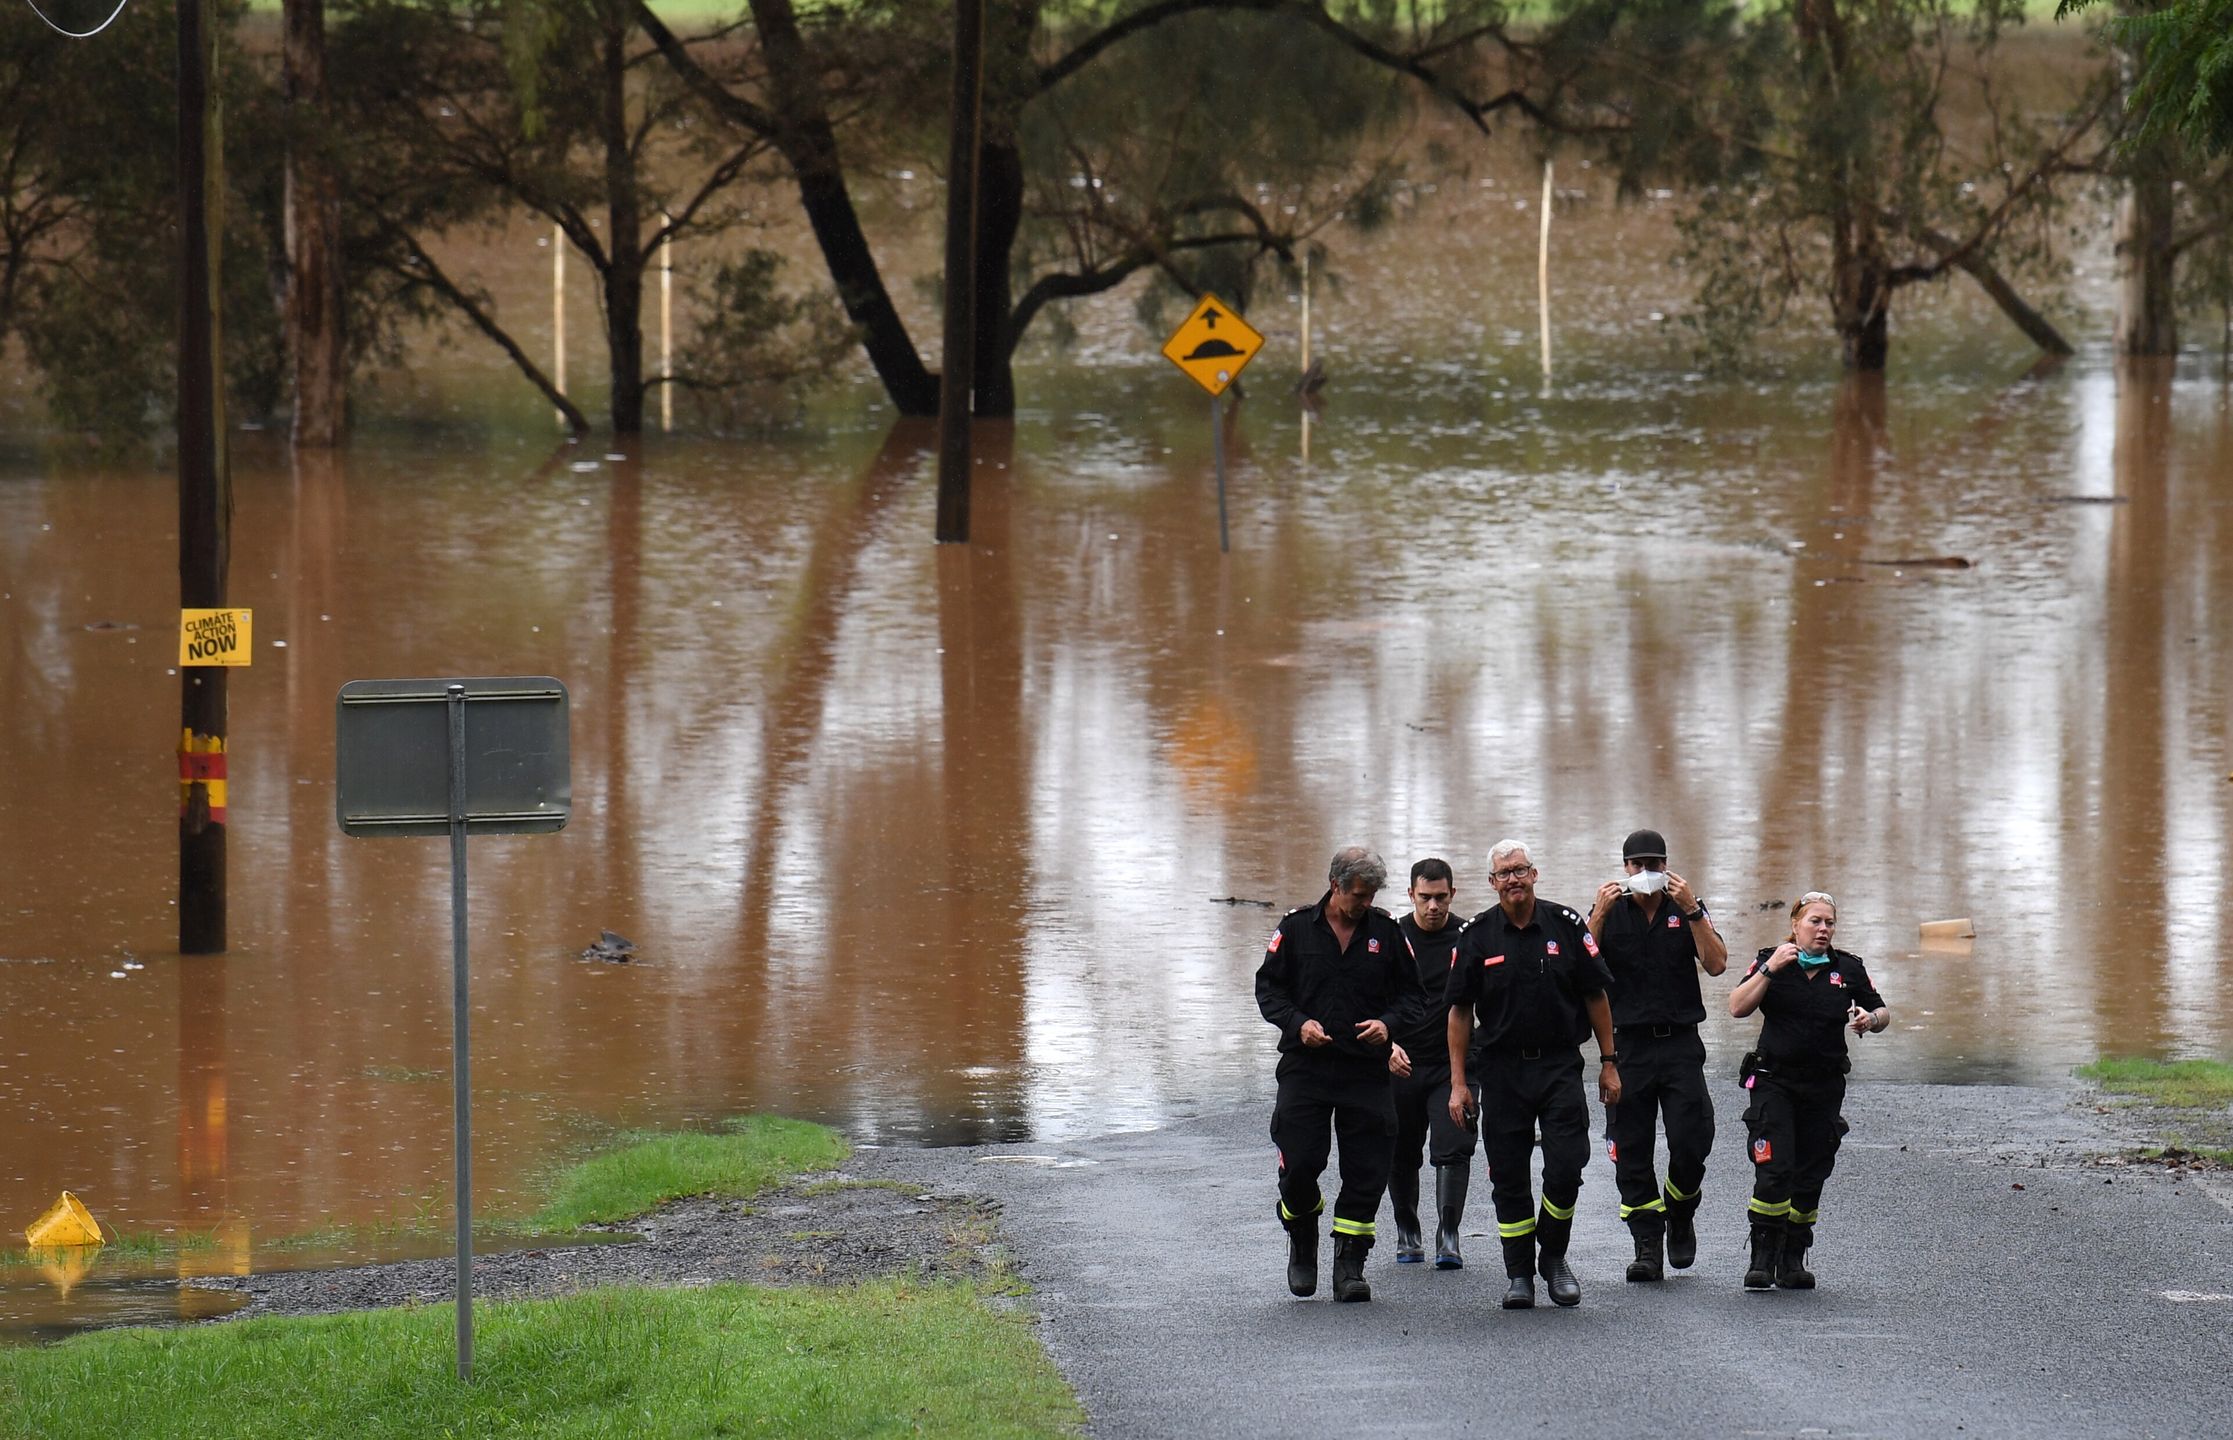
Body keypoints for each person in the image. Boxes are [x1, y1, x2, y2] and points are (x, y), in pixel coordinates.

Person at [1446, 840, 1620, 1309]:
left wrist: (1609, 1062)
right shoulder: (1477, 934)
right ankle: (1519, 1273)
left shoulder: (1565, 926)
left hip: (1560, 1065)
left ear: (1535, 874)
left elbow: (1596, 996)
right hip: (1500, 1071)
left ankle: (1555, 1256)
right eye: (1504, 873)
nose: (1513, 879)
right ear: (1492, 883)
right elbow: (1460, 1012)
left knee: (1567, 1165)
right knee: (1508, 1176)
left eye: (1520, 870)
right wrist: (1459, 1083)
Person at [1256, 847, 1428, 1302]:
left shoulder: (1388, 933)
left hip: (1364, 1072)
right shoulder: (1295, 929)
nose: (1365, 902)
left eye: (1371, 894)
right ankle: (1303, 1239)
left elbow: (1415, 997)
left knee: (1367, 1169)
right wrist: (1298, 1023)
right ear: (1335, 886)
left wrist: (1388, 1025)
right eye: (1358, 894)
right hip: (1305, 1068)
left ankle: (1350, 1265)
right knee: (1299, 1162)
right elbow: (1268, 990)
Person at [1727, 891, 1889, 1291]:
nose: (1823, 929)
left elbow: (1883, 1011)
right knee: (1775, 1168)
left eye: (1829, 923)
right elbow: (1736, 1006)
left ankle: (1793, 1257)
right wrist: (1768, 969)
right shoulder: (1772, 959)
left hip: (1824, 1085)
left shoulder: (1847, 968)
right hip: (1773, 1081)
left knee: (1811, 1171)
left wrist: (1871, 1019)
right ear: (1795, 926)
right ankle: (1762, 1257)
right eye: (1815, 921)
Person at [1587, 828, 1728, 1282]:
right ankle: (1647, 1242)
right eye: (1637, 865)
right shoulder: (1610, 911)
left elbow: (1718, 963)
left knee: (1693, 1135)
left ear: (1666, 866)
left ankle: (1681, 1208)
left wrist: (1691, 909)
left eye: (1654, 864)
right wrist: (1599, 915)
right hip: (1627, 1046)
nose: (1646, 873)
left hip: (1680, 1041)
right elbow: (1579, 968)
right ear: (1624, 867)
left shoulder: (1684, 909)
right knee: (1630, 1147)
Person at [1385, 858, 1477, 1268]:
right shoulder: (1391, 937)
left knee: (1454, 1147)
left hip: (1453, 1066)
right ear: (1411, 895)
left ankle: (1449, 1233)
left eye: (1441, 897)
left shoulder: (1469, 936)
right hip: (1399, 1061)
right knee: (1399, 1149)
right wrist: (1385, 1047)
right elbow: (1369, 1000)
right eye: (1425, 898)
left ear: (1452, 895)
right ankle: (1407, 1230)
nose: (1434, 906)